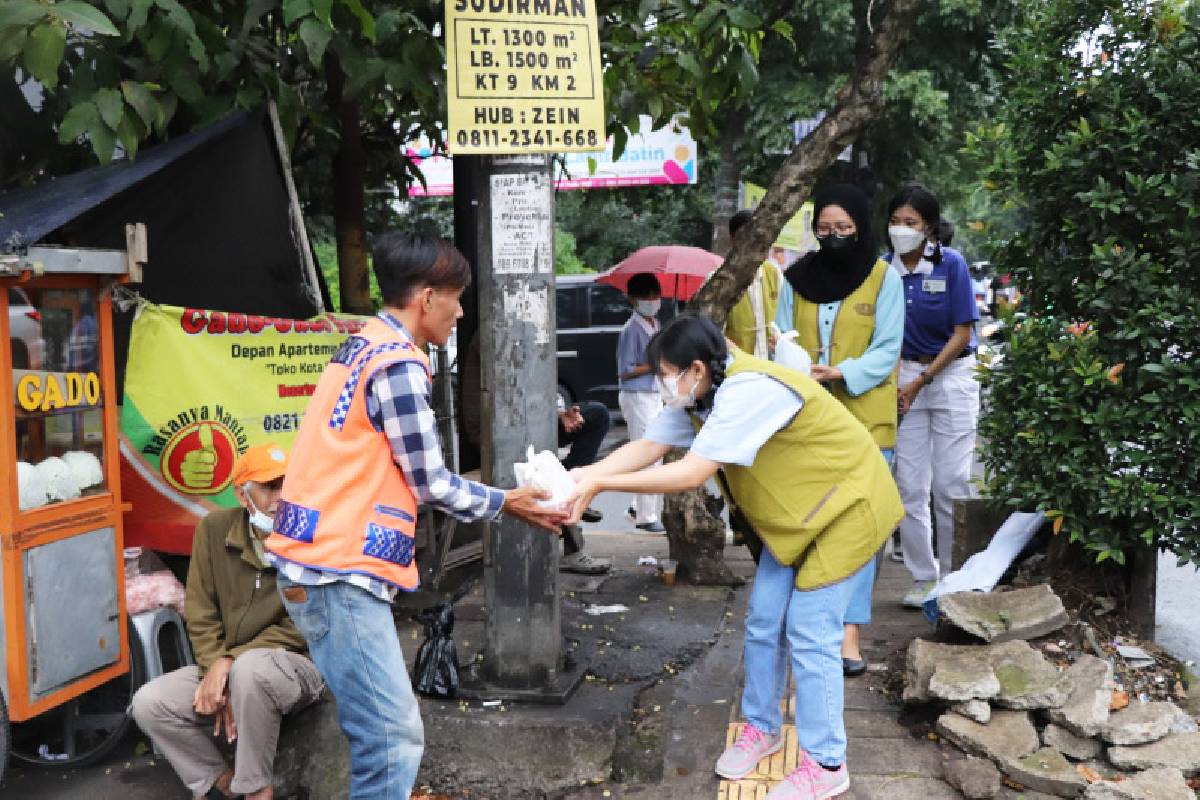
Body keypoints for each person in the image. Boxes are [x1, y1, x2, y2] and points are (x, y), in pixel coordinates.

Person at [264, 232, 563, 799]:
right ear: (426, 298)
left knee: (384, 734)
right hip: (336, 574)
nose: (460, 310)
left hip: (320, 565)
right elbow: (428, 481)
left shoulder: (361, 344)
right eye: (455, 297)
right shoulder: (398, 364)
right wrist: (508, 503)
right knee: (390, 739)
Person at [565, 313, 903, 800]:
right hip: (798, 520)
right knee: (764, 621)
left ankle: (827, 763)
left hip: (848, 510)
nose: (663, 382)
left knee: (810, 631)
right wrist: (581, 477)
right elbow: (648, 445)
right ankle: (762, 728)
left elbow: (689, 472)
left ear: (696, 369)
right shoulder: (703, 395)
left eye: (666, 372)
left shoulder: (750, 390)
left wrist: (599, 483)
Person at [131, 444, 321, 800]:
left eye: (286, 485)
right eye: (269, 487)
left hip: (298, 665)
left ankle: (256, 790)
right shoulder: (214, 529)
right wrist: (214, 668)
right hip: (232, 664)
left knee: (250, 670)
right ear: (242, 493)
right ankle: (221, 782)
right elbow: (200, 612)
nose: (281, 497)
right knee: (149, 701)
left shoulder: (310, 535)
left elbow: (305, 624)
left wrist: (230, 663)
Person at [773, 183, 903, 677]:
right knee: (811, 520)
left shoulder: (882, 279)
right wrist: (792, 363)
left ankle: (850, 635)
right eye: (825, 229)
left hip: (866, 418)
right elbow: (781, 335)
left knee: (860, 527)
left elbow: (887, 348)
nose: (833, 238)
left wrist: (841, 372)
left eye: (844, 229)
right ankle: (812, 622)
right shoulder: (796, 277)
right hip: (806, 420)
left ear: (861, 228)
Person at [887, 184, 981, 608]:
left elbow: (963, 332)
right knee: (909, 487)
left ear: (928, 227)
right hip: (904, 376)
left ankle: (956, 578)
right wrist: (896, 382)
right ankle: (924, 577)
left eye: (911, 223)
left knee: (949, 484)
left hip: (950, 375)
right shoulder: (884, 271)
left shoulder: (951, 265)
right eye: (895, 221)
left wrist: (921, 379)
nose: (901, 230)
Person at [459, 332, 612, 574]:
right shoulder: (496, 335)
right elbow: (512, 399)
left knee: (596, 415)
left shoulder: (532, 335)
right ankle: (571, 531)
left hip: (531, 420)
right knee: (542, 461)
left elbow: (537, 392)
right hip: (499, 429)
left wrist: (562, 415)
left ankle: (569, 486)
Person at [616, 272, 666, 532]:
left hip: (653, 393)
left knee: (653, 451)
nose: (652, 301)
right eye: (646, 297)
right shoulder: (631, 330)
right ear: (633, 300)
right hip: (637, 395)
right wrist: (653, 365)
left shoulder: (655, 324)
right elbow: (625, 369)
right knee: (648, 453)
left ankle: (638, 507)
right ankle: (646, 516)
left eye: (655, 296)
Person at [724, 210, 783, 358]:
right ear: (733, 240)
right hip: (737, 367)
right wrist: (739, 356)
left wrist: (780, 339)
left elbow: (784, 319)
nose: (753, 243)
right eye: (745, 237)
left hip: (772, 364)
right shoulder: (719, 280)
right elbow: (714, 332)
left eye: (757, 237)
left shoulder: (774, 273)